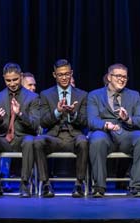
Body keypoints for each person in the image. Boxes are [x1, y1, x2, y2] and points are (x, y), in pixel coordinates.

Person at [87, 63, 140, 198]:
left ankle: (136, 186)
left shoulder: (134, 95)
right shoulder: (95, 95)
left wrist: (127, 118)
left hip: (126, 134)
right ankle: (99, 186)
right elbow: (92, 120)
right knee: (97, 139)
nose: (122, 79)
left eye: (125, 77)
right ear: (109, 77)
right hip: (105, 134)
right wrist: (106, 125)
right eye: (118, 76)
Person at [34, 59, 89, 198]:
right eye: (60, 75)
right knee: (38, 141)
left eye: (66, 74)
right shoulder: (46, 95)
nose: (64, 77)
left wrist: (73, 113)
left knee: (83, 141)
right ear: (54, 75)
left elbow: (85, 122)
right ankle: (46, 184)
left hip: (74, 137)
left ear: (71, 74)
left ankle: (79, 184)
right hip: (54, 137)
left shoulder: (82, 95)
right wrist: (57, 112)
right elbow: (43, 122)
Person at [0, 63, 41, 197]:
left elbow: (35, 125)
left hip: (22, 138)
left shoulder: (32, 97)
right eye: (8, 80)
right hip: (4, 138)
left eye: (15, 79)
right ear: (4, 78)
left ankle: (24, 184)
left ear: (21, 77)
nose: (12, 83)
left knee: (29, 141)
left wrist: (20, 114)